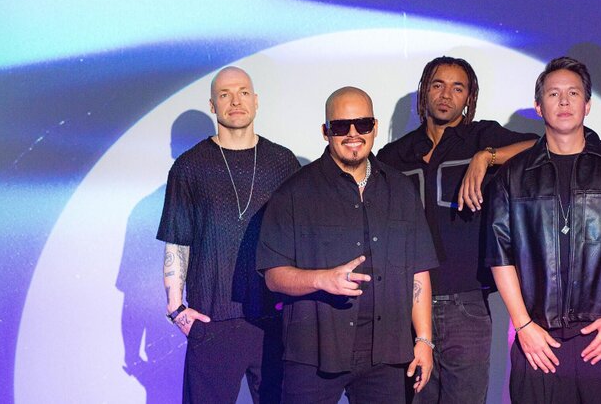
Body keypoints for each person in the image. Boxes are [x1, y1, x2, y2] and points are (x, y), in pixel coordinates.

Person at [486, 57, 601, 403]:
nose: (564, 101)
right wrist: (523, 326)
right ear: (539, 106)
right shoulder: (512, 175)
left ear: (587, 105)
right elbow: (500, 256)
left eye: (573, 93)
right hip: (541, 341)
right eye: (553, 94)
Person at [256, 87, 438, 404]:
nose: (353, 134)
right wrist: (322, 279)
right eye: (341, 126)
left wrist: (424, 339)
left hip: (387, 355)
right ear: (326, 131)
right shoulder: (294, 193)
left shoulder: (401, 189)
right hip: (314, 353)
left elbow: (418, 269)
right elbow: (273, 275)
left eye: (362, 124)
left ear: (374, 127)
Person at [377, 56, 537, 403]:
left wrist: (486, 157)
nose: (446, 95)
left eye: (457, 88)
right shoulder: (395, 155)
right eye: (438, 85)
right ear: (425, 91)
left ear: (469, 97)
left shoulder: (480, 137)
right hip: (408, 303)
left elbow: (540, 147)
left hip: (467, 302)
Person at [157, 66, 300, 403]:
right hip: (212, 321)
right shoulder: (189, 167)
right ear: (213, 105)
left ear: (256, 100)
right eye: (225, 94)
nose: (236, 101)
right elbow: (177, 241)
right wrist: (176, 309)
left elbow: (300, 240)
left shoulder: (283, 162)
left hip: (274, 319)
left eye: (243, 92)